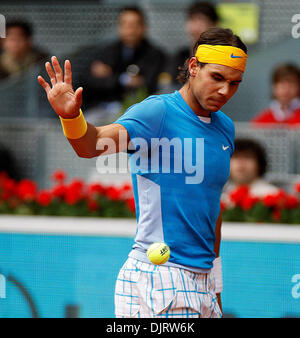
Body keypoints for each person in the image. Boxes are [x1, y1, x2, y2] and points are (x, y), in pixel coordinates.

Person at [38, 27, 248, 318]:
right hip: (160, 278)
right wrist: (71, 116)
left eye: (235, 83)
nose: (226, 90)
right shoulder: (157, 113)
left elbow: (212, 209)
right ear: (193, 67)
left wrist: (216, 288)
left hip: (203, 284)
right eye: (217, 78)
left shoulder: (225, 127)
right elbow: (92, 145)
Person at [76, 6, 165, 124]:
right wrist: (123, 79)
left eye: (134, 25)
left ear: (143, 27)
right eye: (125, 25)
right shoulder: (107, 51)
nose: (130, 30)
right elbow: (90, 80)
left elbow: (148, 84)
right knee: (85, 126)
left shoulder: (155, 55)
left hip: (137, 111)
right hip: (103, 107)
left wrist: (111, 75)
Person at [170, 1, 219, 84]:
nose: (196, 26)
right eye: (193, 20)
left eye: (202, 20)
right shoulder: (180, 56)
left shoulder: (219, 57)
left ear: (214, 25)